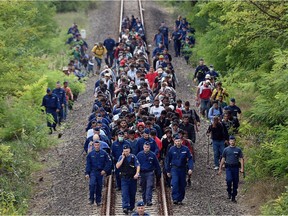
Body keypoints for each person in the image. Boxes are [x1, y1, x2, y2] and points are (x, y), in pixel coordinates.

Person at [165, 135, 193, 205]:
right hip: (174, 168)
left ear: (181, 141)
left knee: (182, 184)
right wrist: (167, 170)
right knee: (175, 183)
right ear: (174, 141)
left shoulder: (185, 149)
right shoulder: (171, 149)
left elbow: (190, 159)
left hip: (183, 169)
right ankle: (175, 198)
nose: (178, 142)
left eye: (179, 141)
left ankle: (180, 199)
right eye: (176, 141)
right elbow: (168, 160)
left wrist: (190, 168)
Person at [85, 141, 112, 205]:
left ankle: (98, 200)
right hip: (93, 171)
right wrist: (87, 173)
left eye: (98, 145)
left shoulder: (104, 153)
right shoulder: (90, 154)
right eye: (95, 145)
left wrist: (105, 170)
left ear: (99, 145)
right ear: (94, 146)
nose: (97, 146)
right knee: (92, 184)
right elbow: (88, 164)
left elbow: (109, 162)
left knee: (99, 186)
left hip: (100, 172)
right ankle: (91, 199)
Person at [218, 136, 244, 203]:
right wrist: (220, 168)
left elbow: (241, 159)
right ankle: (229, 191)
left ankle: (233, 197)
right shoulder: (226, 150)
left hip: (235, 167)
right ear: (229, 142)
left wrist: (242, 168)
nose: (232, 142)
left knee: (235, 182)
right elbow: (223, 159)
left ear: (235, 141)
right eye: (231, 141)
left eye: (233, 141)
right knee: (229, 180)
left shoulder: (238, 150)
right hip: (228, 167)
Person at [116, 145, 140, 214]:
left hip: (132, 178)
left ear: (129, 150)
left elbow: (138, 165)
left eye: (126, 151)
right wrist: (123, 158)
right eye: (124, 151)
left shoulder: (133, 157)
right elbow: (117, 166)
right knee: (125, 193)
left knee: (132, 193)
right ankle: (125, 207)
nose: (125, 152)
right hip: (124, 179)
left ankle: (131, 207)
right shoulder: (121, 157)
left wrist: (137, 173)